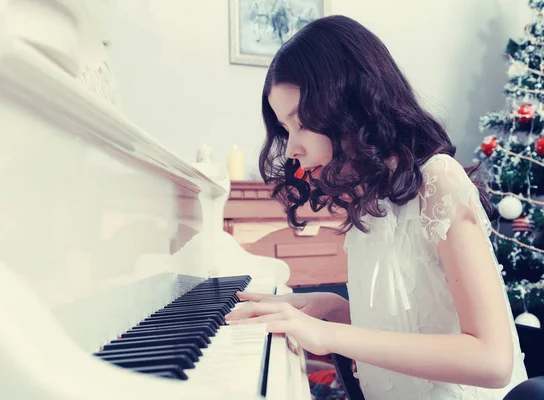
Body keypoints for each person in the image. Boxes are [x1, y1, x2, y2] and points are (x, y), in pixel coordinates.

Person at [224, 15, 528, 399]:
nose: (293, 149)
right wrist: (332, 307)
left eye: (300, 124)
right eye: (285, 131)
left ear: (350, 106)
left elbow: (492, 360)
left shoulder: (439, 180)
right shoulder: (367, 200)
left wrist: (330, 334)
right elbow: (415, 331)